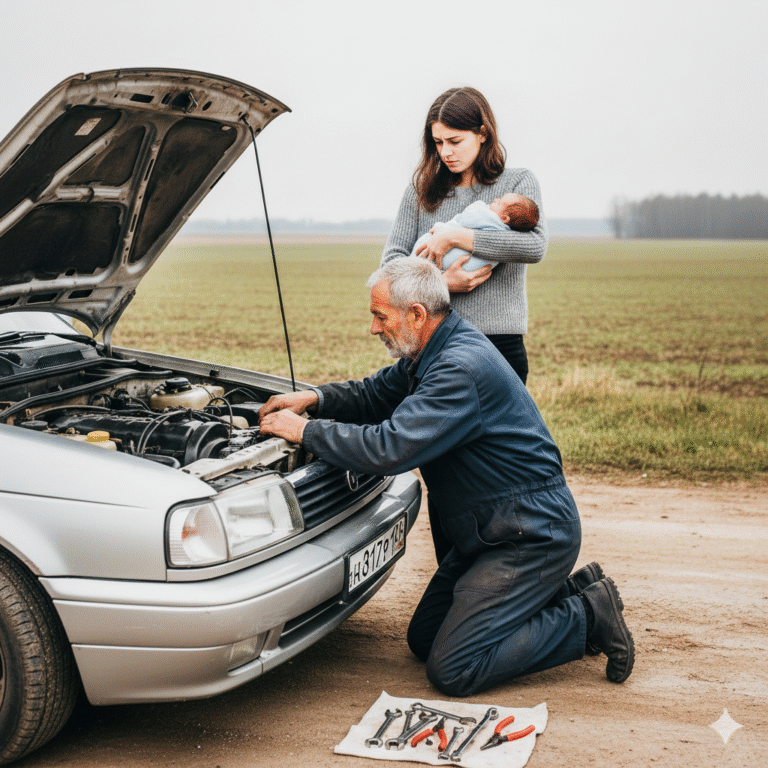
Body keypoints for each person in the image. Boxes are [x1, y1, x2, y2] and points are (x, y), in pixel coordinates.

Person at [258, 257, 634, 697]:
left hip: (528, 536)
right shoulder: (434, 350)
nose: (374, 329)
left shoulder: (458, 369)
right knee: (424, 640)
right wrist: (315, 398)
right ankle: (573, 588)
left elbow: (389, 447)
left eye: (380, 317)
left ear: (416, 314)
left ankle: (588, 614)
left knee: (454, 667)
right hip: (492, 532)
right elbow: (375, 394)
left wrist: (305, 431)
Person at [382, 86, 548, 386]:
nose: (445, 152)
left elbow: (534, 246)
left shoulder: (518, 183)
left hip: (500, 345)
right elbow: (390, 265)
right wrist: (440, 285)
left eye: (455, 141)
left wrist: (456, 237)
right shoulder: (420, 190)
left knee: (499, 435)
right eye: (438, 142)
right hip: (434, 343)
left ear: (483, 133)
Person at [411, 192, 539, 273]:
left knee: (418, 261)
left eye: (499, 202)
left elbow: (467, 217)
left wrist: (444, 231)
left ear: (504, 219)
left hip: (437, 261)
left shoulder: (488, 218)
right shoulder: (505, 231)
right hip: (457, 270)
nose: (495, 199)